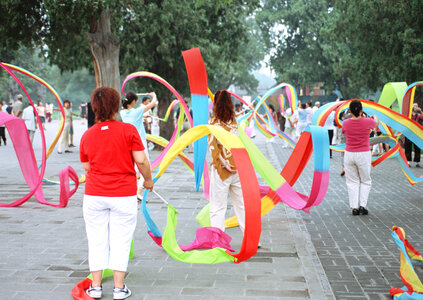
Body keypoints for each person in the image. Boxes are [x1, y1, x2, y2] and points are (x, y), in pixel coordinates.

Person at [80, 86, 153, 299]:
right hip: (123, 193)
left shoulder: (87, 135)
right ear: (115, 107)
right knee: (121, 239)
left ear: (94, 108)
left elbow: (86, 166)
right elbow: (141, 160)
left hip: (94, 194)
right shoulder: (128, 131)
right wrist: (148, 181)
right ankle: (119, 288)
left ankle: (95, 287)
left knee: (96, 239)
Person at [208, 90, 245, 234]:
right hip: (238, 167)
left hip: (221, 170)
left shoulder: (213, 123)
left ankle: (218, 238)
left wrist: (224, 164)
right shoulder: (234, 122)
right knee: (241, 205)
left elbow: (213, 148)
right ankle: (251, 237)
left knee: (218, 206)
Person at [342, 100, 379, 216]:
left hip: (349, 154)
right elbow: (376, 124)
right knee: (365, 180)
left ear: (350, 111)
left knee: (352, 181)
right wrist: (374, 117)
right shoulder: (368, 121)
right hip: (363, 153)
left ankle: (354, 207)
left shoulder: (346, 122)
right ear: (362, 110)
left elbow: (344, 133)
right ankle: (363, 206)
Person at [120, 91, 158, 198]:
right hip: (139, 141)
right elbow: (154, 103)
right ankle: (139, 190)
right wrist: (153, 95)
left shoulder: (122, 113)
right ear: (134, 101)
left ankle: (130, 189)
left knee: (133, 166)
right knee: (146, 166)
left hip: (127, 142)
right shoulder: (138, 111)